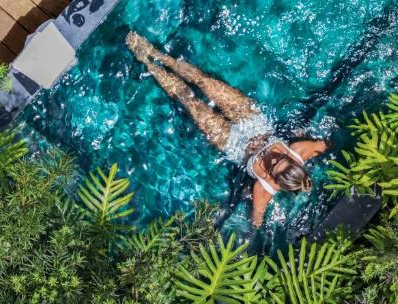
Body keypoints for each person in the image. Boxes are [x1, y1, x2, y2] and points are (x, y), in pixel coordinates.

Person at [126, 31, 327, 228]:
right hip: (253, 121)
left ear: (273, 178)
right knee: (205, 82)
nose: (273, 158)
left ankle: (148, 63)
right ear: (292, 158)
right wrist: (305, 133)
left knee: (187, 100)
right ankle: (156, 53)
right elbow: (326, 144)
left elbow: (257, 221)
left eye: (274, 166)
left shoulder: (263, 189)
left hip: (232, 143)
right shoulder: (301, 150)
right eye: (281, 158)